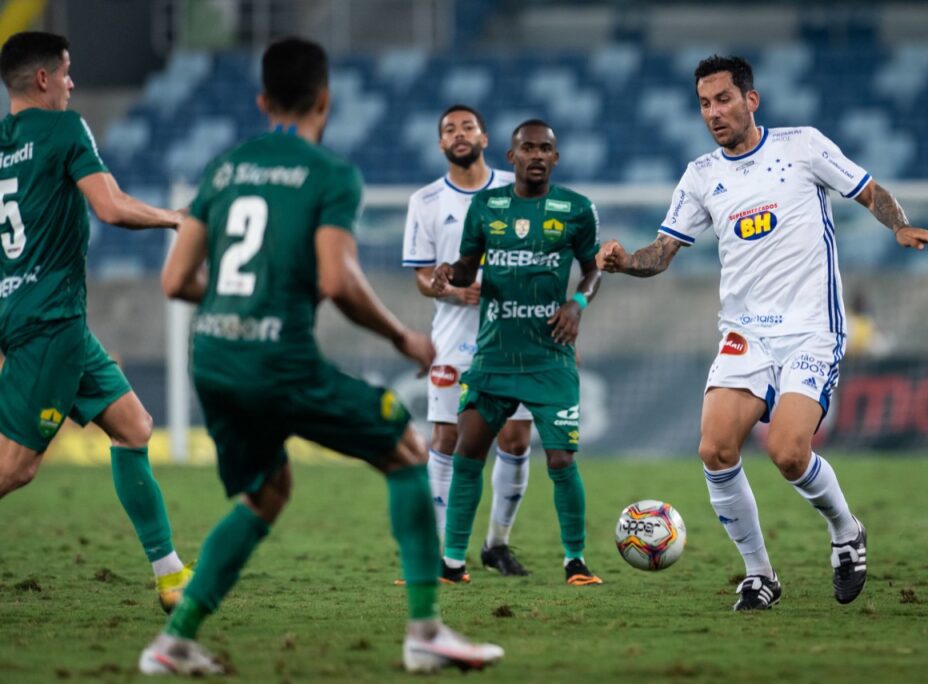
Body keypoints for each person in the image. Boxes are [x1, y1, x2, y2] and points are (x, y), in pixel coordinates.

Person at [140, 37, 502, 675]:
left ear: (262, 101)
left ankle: (172, 643)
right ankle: (425, 632)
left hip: (214, 358)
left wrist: (231, 303)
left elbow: (175, 282)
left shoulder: (223, 169)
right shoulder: (329, 174)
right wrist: (403, 338)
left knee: (267, 491)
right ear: (325, 100)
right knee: (408, 452)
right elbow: (338, 281)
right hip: (278, 359)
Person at [599, 55, 928, 610]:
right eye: (704, 104)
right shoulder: (701, 175)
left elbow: (869, 191)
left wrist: (900, 225)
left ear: (750, 100)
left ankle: (844, 530)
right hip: (745, 334)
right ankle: (759, 574)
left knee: (788, 453)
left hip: (811, 330)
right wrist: (625, 262)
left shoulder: (802, 146)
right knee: (715, 449)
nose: (714, 112)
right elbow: (663, 253)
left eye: (723, 99)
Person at [0, 31, 191, 611]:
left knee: (133, 426)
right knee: (14, 468)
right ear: (43, 80)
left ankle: (170, 576)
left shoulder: (4, 143)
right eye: (66, 71)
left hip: (42, 315)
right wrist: (174, 219)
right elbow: (110, 207)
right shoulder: (64, 128)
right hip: (50, 322)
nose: (72, 83)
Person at [432, 119, 603, 586]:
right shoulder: (486, 206)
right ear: (511, 157)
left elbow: (593, 270)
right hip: (494, 357)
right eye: (526, 148)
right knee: (467, 454)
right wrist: (452, 273)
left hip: (550, 358)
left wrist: (577, 303)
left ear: (555, 157)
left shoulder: (576, 208)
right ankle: (451, 564)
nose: (535, 155)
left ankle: (575, 561)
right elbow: (469, 269)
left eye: (544, 148)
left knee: (561, 460)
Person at [402, 104, 533, 579]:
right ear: (441, 144)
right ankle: (440, 552)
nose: (459, 134)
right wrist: (449, 289)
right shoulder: (426, 201)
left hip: (514, 331)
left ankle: (497, 543)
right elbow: (421, 276)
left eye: (467, 127)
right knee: (447, 436)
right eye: (449, 129)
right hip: (454, 334)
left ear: (484, 136)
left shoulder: (513, 188)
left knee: (516, 439)